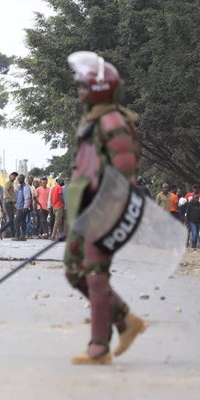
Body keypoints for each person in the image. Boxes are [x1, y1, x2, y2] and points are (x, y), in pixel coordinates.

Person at [64, 51, 146, 365]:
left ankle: (99, 348)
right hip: (82, 212)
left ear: (99, 89)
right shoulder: (92, 120)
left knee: (96, 275)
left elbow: (123, 176)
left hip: (103, 212)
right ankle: (125, 321)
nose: (79, 91)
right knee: (75, 271)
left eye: (83, 86)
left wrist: (104, 216)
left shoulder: (113, 123)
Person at [3, 172, 17, 238]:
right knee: (11, 220)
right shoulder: (8, 183)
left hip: (10, 203)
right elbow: (6, 191)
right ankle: (0, 230)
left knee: (12, 220)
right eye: (13, 176)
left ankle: (13, 235)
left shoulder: (11, 184)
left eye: (15, 176)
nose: (14, 177)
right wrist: (12, 199)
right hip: (8, 202)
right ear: (9, 176)